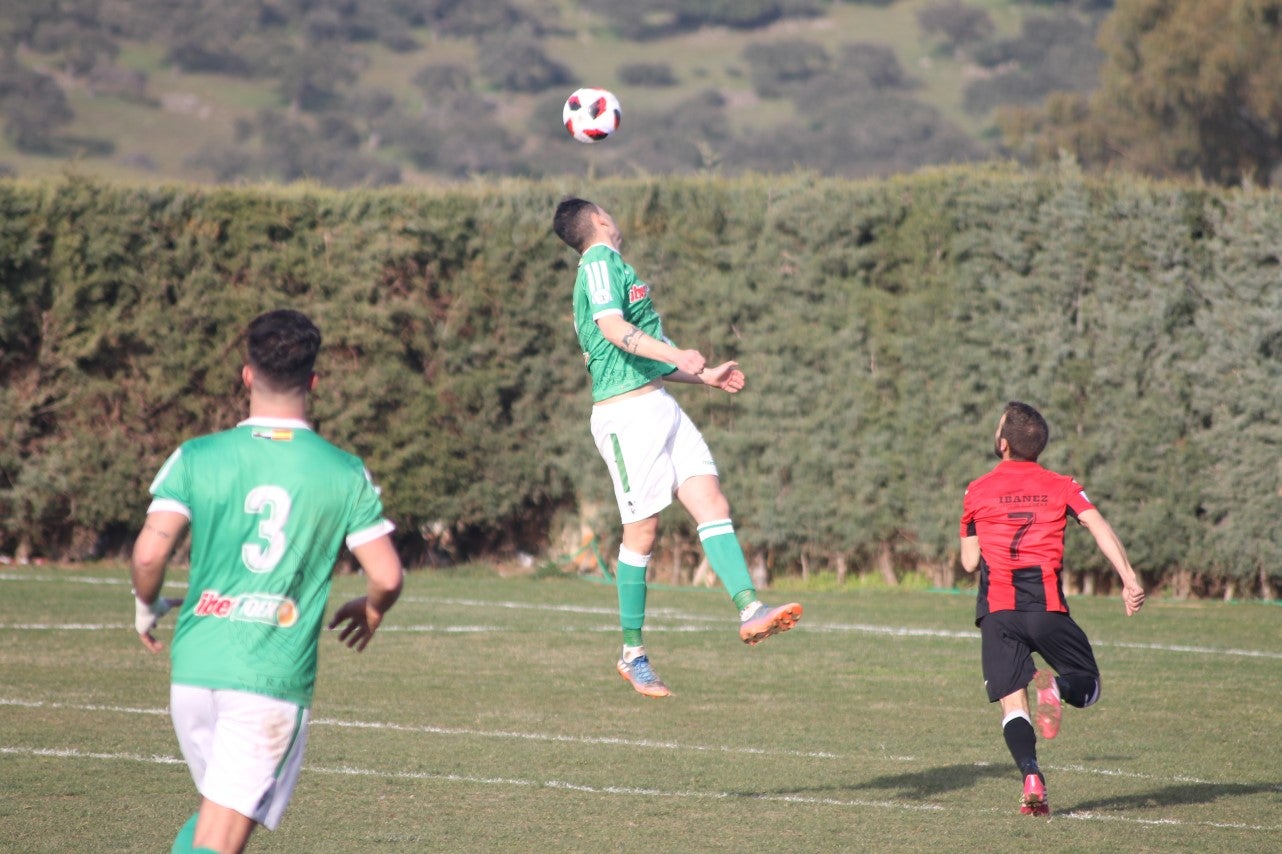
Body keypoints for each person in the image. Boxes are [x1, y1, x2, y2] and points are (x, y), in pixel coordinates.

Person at [130, 309, 404, 853]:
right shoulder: (341, 470)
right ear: (314, 382)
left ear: (247, 375)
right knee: (221, 836)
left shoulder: (196, 456)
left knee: (216, 819)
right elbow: (387, 575)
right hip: (268, 677)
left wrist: (145, 605)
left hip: (195, 673)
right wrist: (372, 609)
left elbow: (149, 554)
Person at [552, 197, 802, 699]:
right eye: (609, 211)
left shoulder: (619, 267)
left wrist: (702, 376)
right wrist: (676, 350)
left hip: (660, 406)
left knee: (712, 502)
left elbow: (648, 356)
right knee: (642, 531)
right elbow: (615, 330)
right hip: (626, 417)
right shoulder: (598, 262)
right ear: (599, 220)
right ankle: (632, 654)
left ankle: (751, 609)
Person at [959, 401, 1144, 816]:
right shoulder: (1063, 485)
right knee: (1089, 687)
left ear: (1003, 443)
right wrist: (1129, 578)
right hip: (1046, 609)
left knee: (1012, 703)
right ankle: (1056, 688)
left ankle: (1030, 773)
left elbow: (970, 563)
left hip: (998, 613)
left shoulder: (976, 490)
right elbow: (1098, 524)